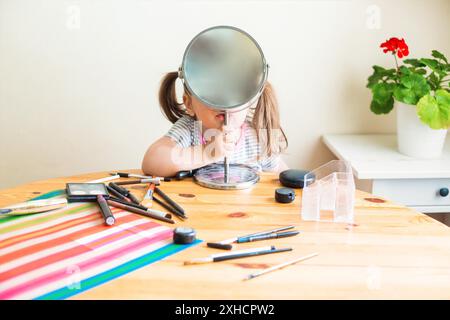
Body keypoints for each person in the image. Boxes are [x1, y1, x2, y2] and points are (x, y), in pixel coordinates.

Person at [142, 72, 288, 177]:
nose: (224, 102)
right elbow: (151, 161)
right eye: (210, 93)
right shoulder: (190, 130)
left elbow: (282, 175)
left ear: (249, 100)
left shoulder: (257, 137)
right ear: (189, 104)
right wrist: (206, 152)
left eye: (235, 94)